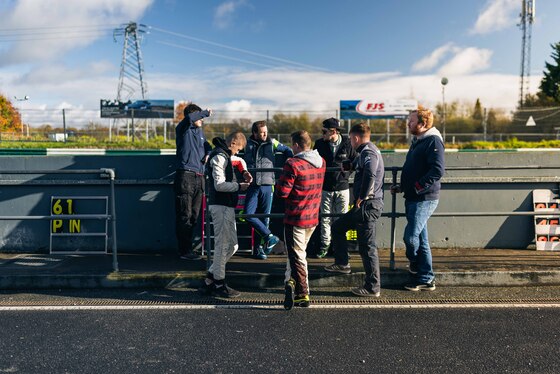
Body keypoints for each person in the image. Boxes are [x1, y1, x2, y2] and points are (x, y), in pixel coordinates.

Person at [324, 123, 385, 297]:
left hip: (367, 206)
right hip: (365, 207)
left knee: (367, 247)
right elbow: (361, 167)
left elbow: (371, 173)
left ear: (356, 138)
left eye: (351, 139)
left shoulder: (368, 152)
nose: (350, 142)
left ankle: (373, 287)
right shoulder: (365, 152)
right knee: (338, 227)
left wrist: (363, 196)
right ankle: (342, 264)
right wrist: (350, 166)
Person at [391, 106, 445, 291]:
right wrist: (403, 187)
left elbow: (437, 170)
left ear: (422, 124)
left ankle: (415, 264)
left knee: (411, 237)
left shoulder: (433, 141)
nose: (408, 124)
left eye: (412, 121)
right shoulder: (419, 140)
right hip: (414, 196)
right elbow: (415, 168)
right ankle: (426, 277)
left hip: (424, 198)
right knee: (421, 240)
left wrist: (417, 187)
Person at [276, 130, 325, 309]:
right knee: (297, 253)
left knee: (297, 256)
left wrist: (277, 183)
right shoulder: (321, 162)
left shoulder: (293, 164)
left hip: (295, 218)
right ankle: (289, 282)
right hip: (312, 217)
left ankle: (303, 293)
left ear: (296, 145)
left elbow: (282, 192)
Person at [199, 132, 251, 298]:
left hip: (225, 205)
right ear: (233, 143)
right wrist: (238, 186)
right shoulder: (220, 157)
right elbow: (219, 184)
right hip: (221, 205)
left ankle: (210, 279)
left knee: (232, 246)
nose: (238, 152)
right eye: (238, 149)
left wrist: (244, 171)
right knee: (223, 245)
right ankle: (219, 283)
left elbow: (239, 161)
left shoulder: (222, 155)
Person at [243, 120, 294, 260]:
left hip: (267, 185)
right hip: (252, 185)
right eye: (262, 132)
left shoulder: (273, 142)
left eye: (266, 132)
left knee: (264, 219)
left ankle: (260, 250)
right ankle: (269, 237)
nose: (265, 134)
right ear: (254, 133)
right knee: (248, 214)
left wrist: (290, 163)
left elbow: (288, 151)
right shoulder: (246, 143)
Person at [313, 117, 357, 258]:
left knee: (341, 218)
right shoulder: (319, 144)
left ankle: (339, 248)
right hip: (325, 188)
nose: (322, 133)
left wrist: (346, 174)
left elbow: (355, 160)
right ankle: (325, 246)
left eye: (324, 131)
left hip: (343, 187)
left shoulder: (347, 143)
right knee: (325, 218)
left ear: (333, 131)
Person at [174, 104, 212, 260]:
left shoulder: (200, 133)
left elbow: (208, 146)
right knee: (185, 215)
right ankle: (184, 251)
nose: (201, 119)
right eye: (199, 116)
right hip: (186, 177)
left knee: (194, 216)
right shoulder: (183, 129)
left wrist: (208, 153)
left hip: (200, 177)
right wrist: (205, 113)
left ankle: (189, 250)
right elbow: (190, 118)